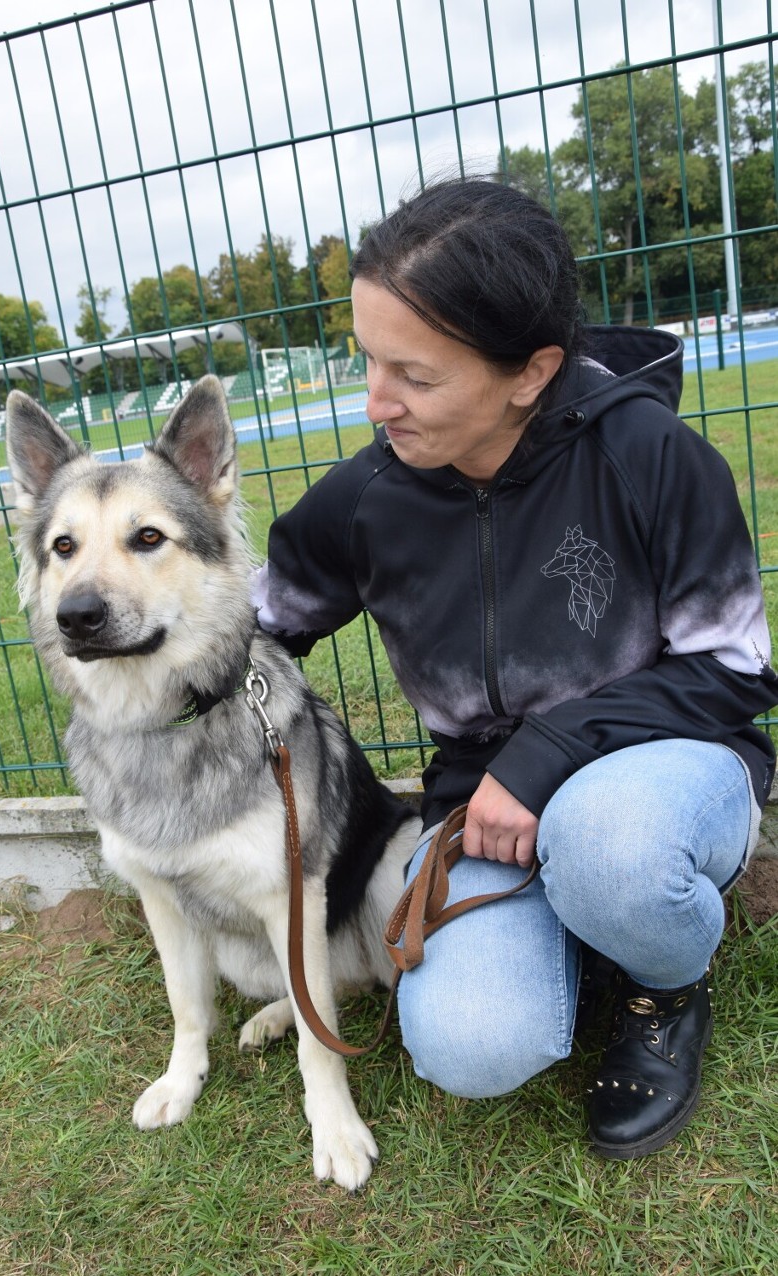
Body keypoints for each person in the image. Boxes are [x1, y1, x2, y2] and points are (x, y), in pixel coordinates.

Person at [251, 177, 777, 1159]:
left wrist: (545, 755)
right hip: (480, 813)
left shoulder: (655, 458)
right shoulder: (368, 497)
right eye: (369, 361)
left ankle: (660, 980)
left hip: (667, 778)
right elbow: (250, 627)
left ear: (530, 372)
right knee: (469, 1047)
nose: (377, 403)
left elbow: (737, 669)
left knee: (610, 846)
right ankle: (574, 931)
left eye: (414, 374)